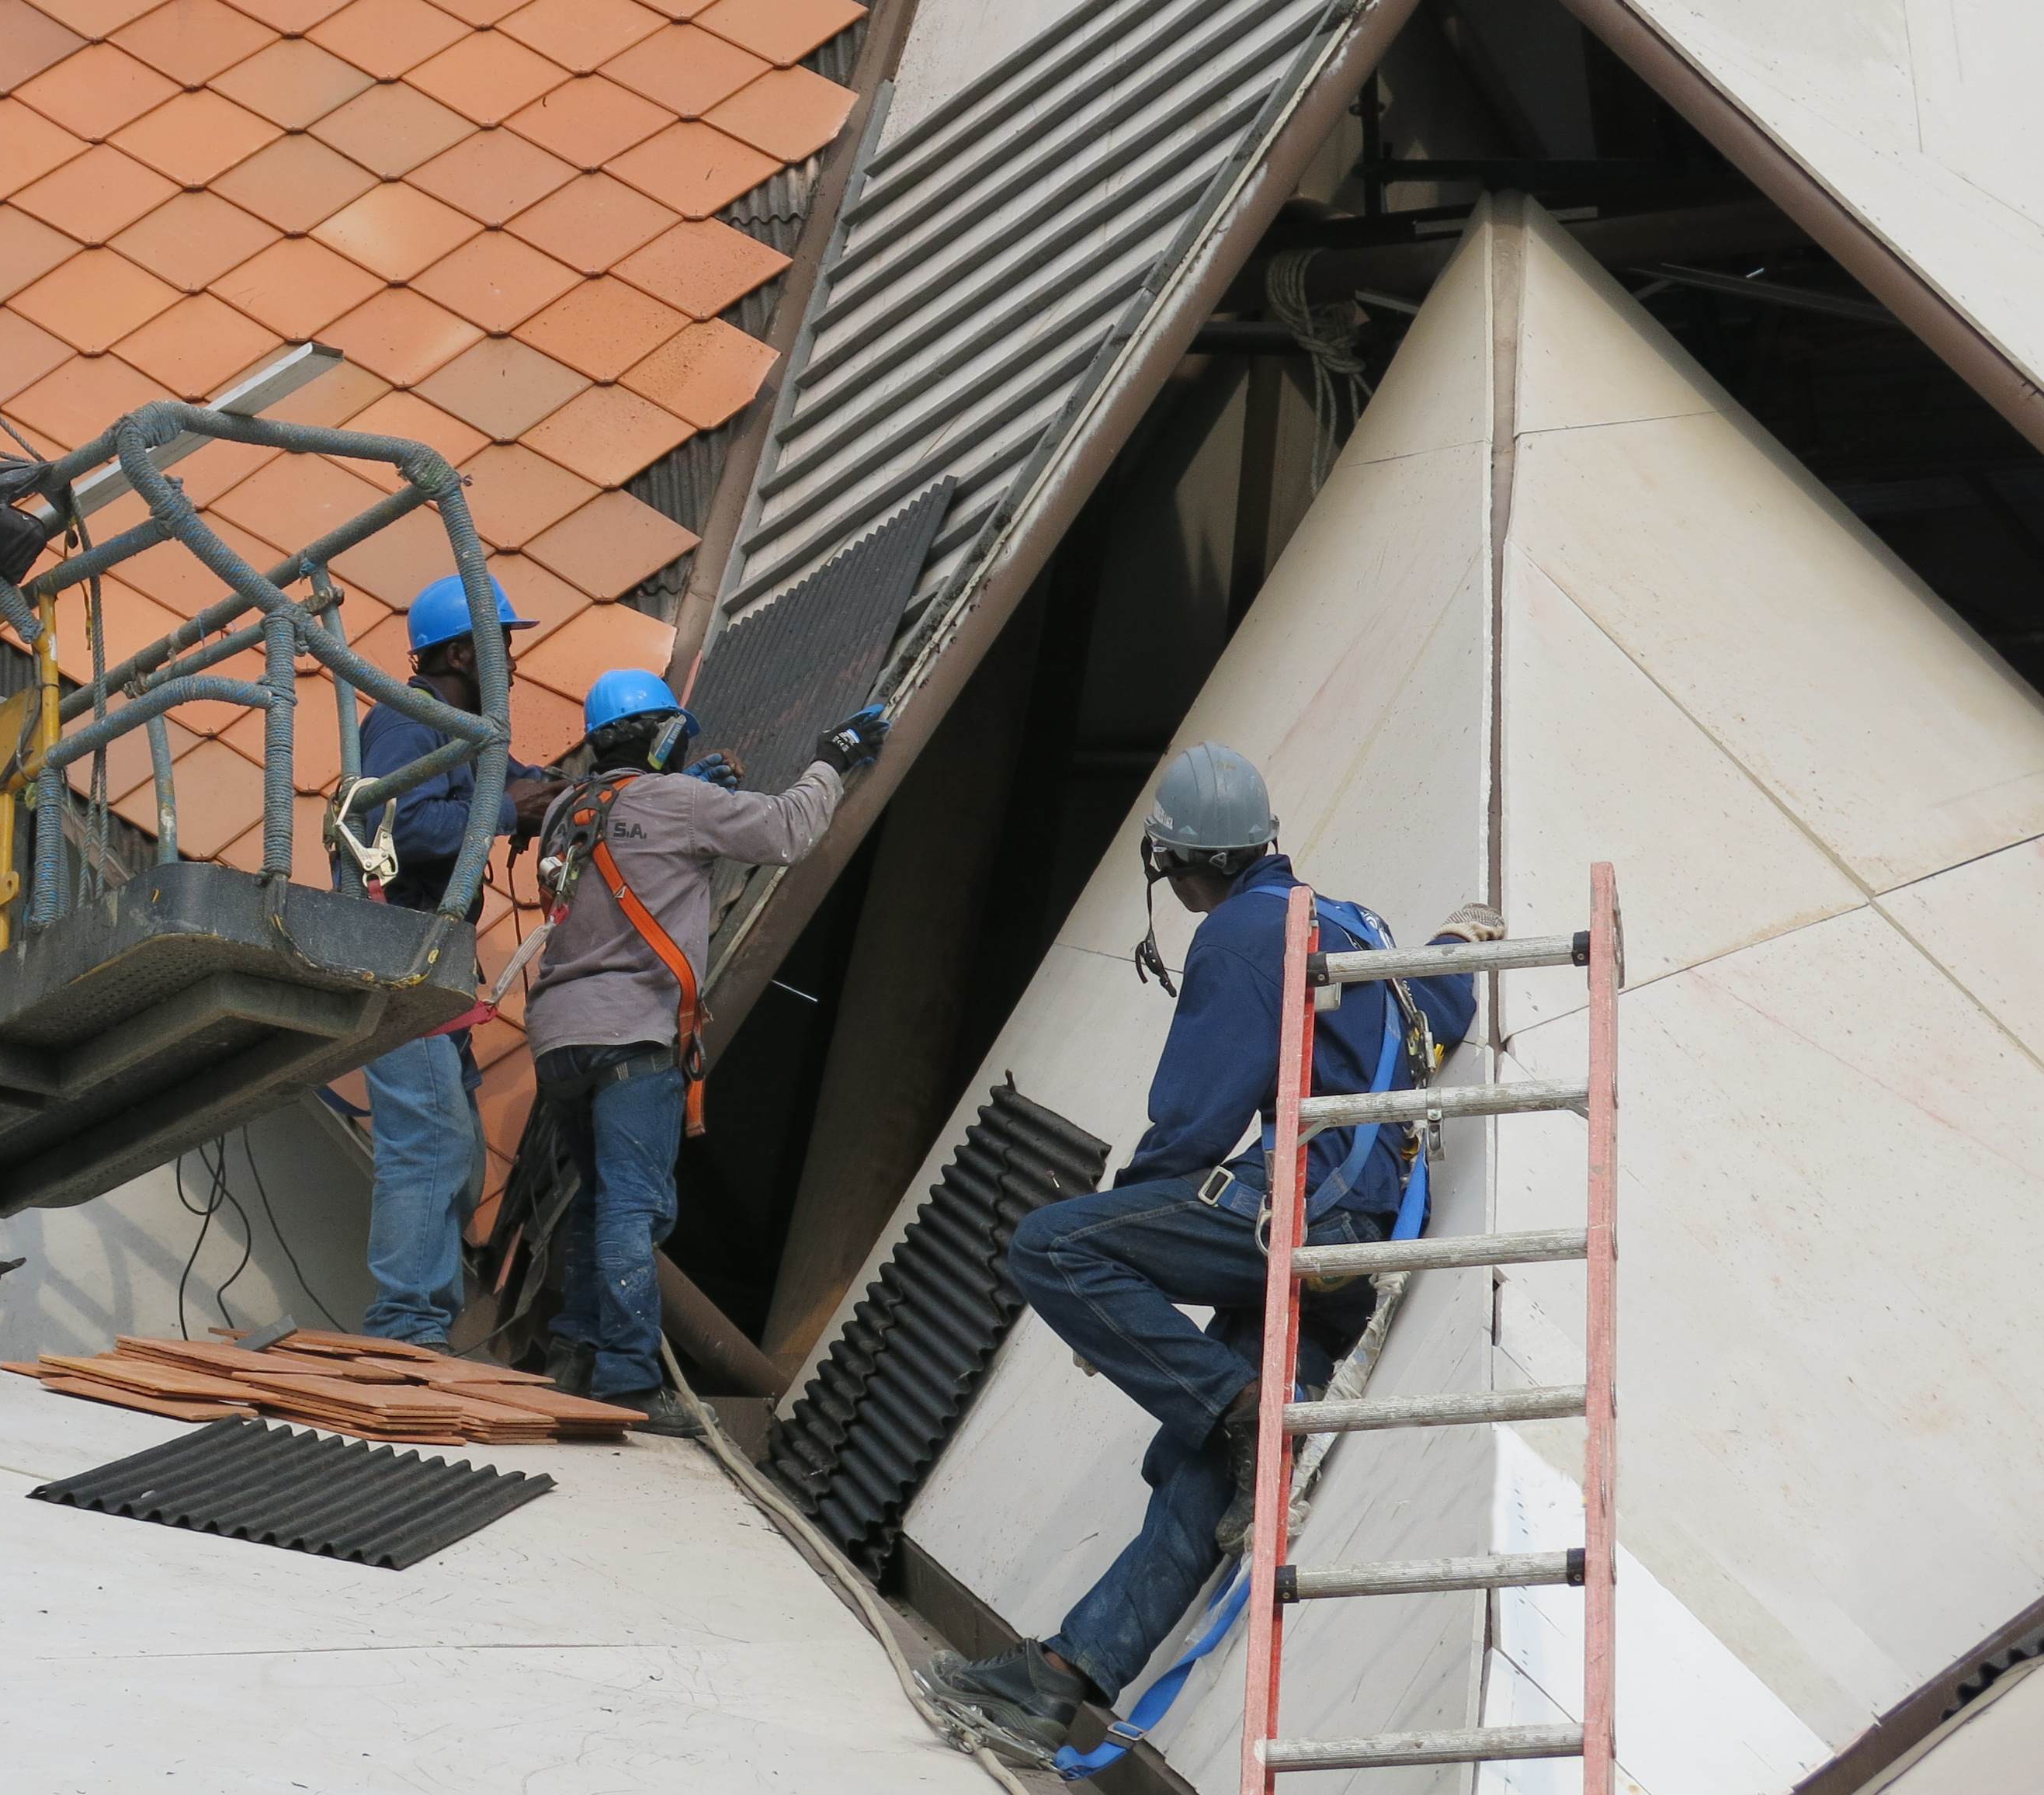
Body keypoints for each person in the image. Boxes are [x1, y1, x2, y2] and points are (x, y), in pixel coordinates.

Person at [923, 742, 1502, 1758]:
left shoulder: (1239, 937)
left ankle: (1240, 1414)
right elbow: (1441, 1006)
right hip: (1357, 1250)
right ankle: (1060, 1682)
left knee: (1050, 1247)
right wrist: (1460, 936)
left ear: (1180, 865)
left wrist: (1122, 1257)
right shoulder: (1348, 924)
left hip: (1296, 1216)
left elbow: (1194, 1120)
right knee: (1204, 1477)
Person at [523, 669, 889, 1436]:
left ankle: (573, 1356)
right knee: (634, 1207)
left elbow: (630, 844)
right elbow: (787, 829)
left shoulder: (567, 812)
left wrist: (681, 791)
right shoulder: (679, 802)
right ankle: (626, 1381)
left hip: (558, 1040)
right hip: (632, 1036)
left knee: (593, 1202)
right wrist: (834, 756)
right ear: (664, 735)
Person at [345, 574, 546, 1351]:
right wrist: (504, 812)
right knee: (428, 1137)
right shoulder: (408, 722)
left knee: (455, 1145)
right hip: (397, 952)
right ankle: (405, 1329)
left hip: (430, 961)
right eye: (501, 644)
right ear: (462, 650)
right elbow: (391, 826)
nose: (513, 661)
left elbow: (521, 785)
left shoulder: (457, 731)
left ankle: (420, 1317)